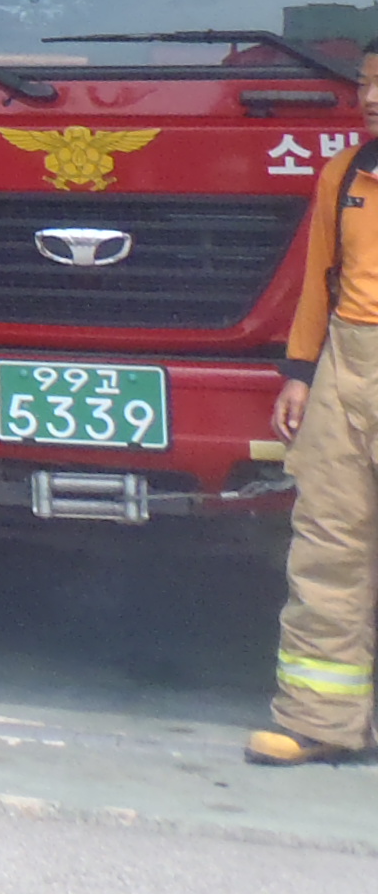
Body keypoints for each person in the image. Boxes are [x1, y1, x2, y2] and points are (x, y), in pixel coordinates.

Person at [248, 41, 378, 766]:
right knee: (329, 546)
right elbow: (318, 278)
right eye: (364, 84)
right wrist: (300, 373)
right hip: (345, 368)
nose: (370, 98)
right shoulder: (345, 173)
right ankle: (320, 722)